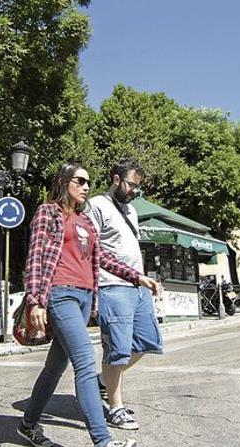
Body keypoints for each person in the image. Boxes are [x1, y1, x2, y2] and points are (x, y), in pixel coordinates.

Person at [18, 162, 159, 447]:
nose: (85, 187)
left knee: (54, 367)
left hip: (84, 299)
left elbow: (102, 258)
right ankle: (103, 441)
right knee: (84, 363)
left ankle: (27, 425)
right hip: (60, 295)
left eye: (88, 183)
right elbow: (35, 257)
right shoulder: (49, 213)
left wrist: (136, 276)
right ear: (62, 181)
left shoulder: (84, 221)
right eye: (80, 181)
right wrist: (35, 301)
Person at [86, 159, 163, 431]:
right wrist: (94, 293)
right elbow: (93, 250)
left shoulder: (131, 211)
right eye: (131, 184)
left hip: (137, 286)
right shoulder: (96, 204)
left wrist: (144, 278)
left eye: (138, 187)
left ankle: (102, 381)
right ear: (116, 178)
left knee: (146, 342)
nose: (135, 191)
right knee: (117, 349)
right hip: (112, 285)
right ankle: (116, 407)